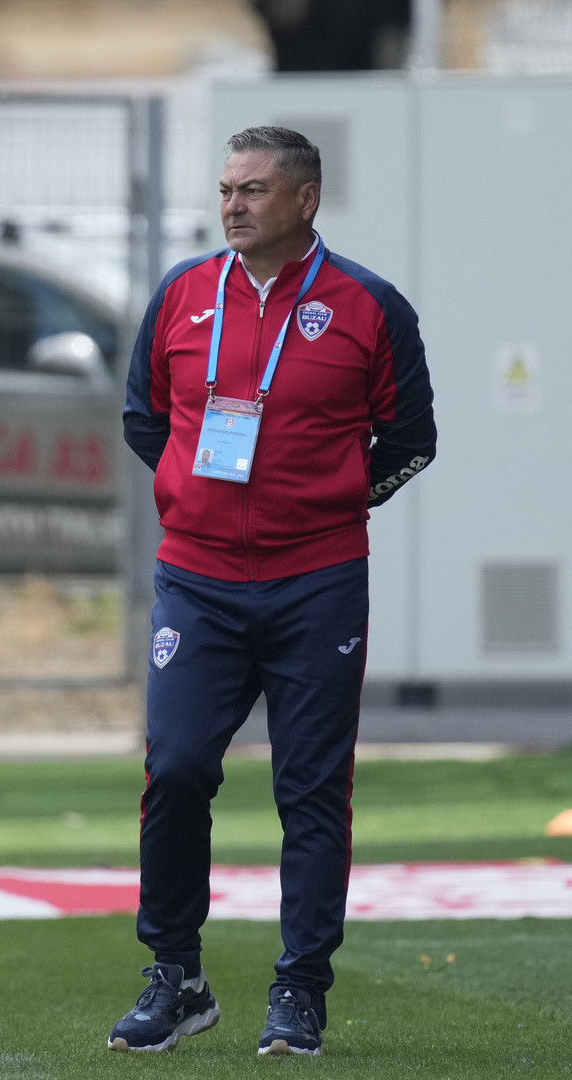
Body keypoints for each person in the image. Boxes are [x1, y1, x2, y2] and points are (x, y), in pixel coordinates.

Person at [108, 125, 436, 1057]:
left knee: (312, 789)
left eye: (252, 189)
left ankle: (300, 991)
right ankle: (177, 976)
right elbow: (145, 419)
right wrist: (199, 498)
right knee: (175, 768)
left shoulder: (370, 306)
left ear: (304, 199)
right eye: (226, 189)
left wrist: (326, 504)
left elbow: (410, 440)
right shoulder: (182, 294)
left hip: (316, 583)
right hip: (198, 581)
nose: (233, 205)